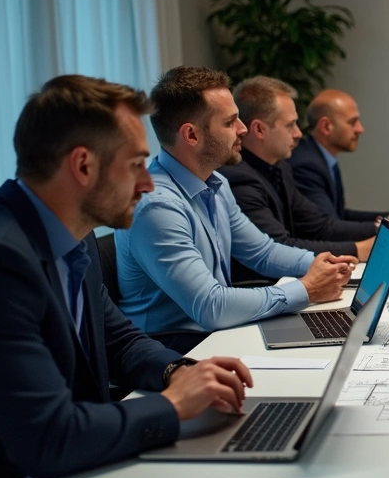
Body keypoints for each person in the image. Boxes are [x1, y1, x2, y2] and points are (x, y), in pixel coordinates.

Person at [0, 76, 254, 478]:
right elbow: (49, 437)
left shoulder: (67, 233)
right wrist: (176, 405)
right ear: (82, 166)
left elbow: (117, 338)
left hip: (73, 467)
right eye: (137, 165)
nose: (148, 184)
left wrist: (178, 370)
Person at [116, 67, 352, 352]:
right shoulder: (157, 206)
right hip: (175, 351)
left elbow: (262, 251)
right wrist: (306, 289)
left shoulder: (216, 184)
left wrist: (320, 264)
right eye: (230, 122)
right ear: (191, 135)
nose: (243, 129)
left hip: (215, 335)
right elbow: (211, 306)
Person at [219, 77, 376, 282]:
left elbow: (318, 224)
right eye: (290, 125)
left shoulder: (279, 167)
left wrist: (375, 232)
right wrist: (356, 249)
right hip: (265, 290)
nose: (298, 134)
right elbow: (277, 248)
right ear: (259, 130)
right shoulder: (238, 178)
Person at [289, 89, 389, 239]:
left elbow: (340, 214)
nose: (360, 129)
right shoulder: (306, 165)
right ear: (326, 126)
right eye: (352, 122)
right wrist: (383, 227)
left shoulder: (321, 157)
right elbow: (327, 227)